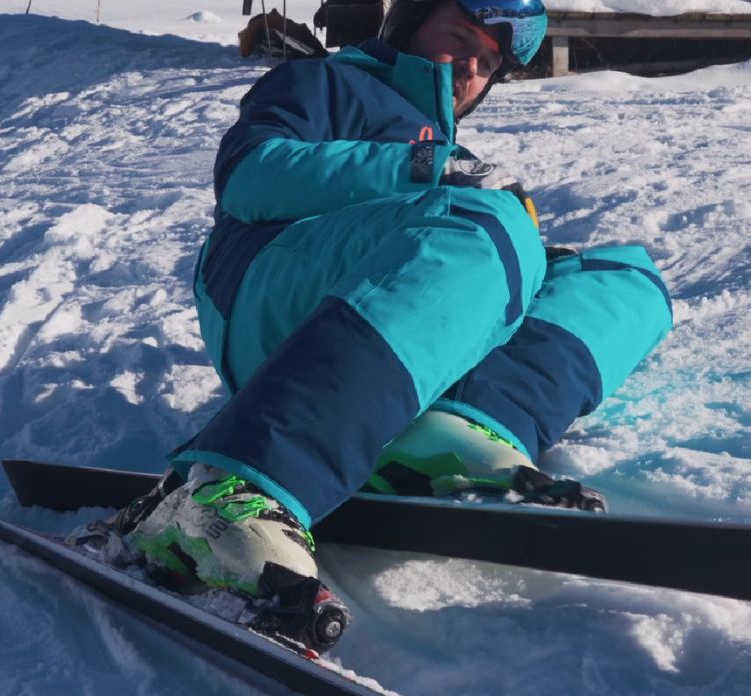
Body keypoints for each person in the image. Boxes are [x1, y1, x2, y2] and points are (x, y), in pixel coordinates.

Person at [121, 0, 673, 651]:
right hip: (272, 291)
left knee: (623, 280)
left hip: (398, 305)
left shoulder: (452, 152)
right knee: (486, 230)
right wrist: (425, 171)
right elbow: (248, 177)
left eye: (488, 61)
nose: (472, 65)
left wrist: (517, 244)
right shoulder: (329, 83)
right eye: (462, 38)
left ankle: (453, 431)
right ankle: (227, 491)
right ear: (409, 25)